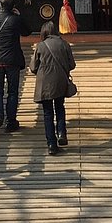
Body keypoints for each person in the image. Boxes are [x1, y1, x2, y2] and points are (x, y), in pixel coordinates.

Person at [30, 20, 75, 155]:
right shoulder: (64, 44)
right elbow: (72, 64)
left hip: (45, 83)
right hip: (60, 81)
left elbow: (33, 67)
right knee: (60, 108)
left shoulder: (40, 46)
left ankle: (51, 144)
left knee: (48, 113)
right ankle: (61, 132)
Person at [0, 0, 29, 132]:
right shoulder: (15, 19)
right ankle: (11, 121)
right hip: (12, 59)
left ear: (0, 5)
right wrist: (18, 15)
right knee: (12, 91)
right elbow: (27, 31)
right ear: (13, 6)